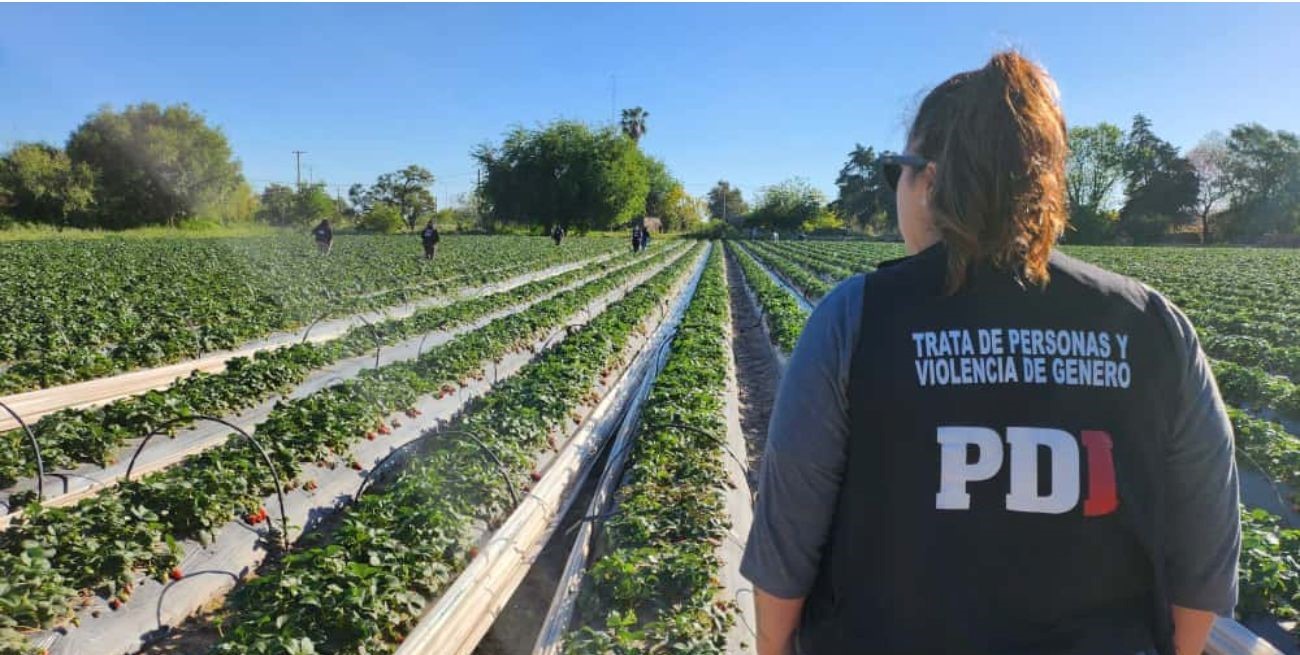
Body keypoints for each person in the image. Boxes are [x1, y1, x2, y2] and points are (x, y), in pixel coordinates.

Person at [742, 51, 1239, 655]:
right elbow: (1204, 558)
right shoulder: (1153, 326)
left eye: (897, 171)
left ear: (928, 179)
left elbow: (786, 545)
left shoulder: (857, 316)